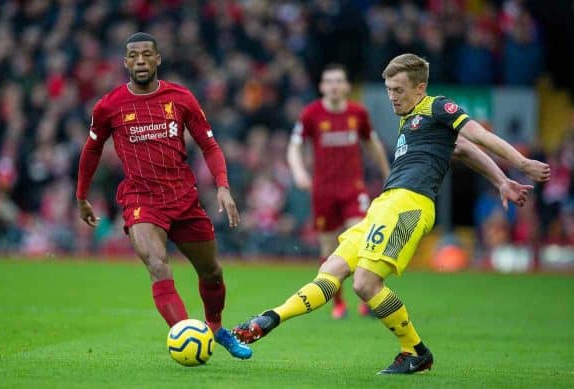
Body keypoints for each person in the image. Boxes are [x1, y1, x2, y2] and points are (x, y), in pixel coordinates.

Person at [233, 53, 550, 373]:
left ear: (420, 88)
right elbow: (462, 149)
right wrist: (500, 181)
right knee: (332, 268)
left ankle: (415, 351)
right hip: (384, 205)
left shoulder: (438, 106)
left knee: (365, 284)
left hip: (410, 204)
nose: (392, 97)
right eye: (388, 90)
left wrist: (519, 166)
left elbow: (477, 136)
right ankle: (269, 319)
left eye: (398, 89)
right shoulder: (412, 120)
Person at [76, 32, 251, 359]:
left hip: (184, 198)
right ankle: (190, 338)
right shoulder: (109, 106)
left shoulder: (181, 98)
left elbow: (209, 145)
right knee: (158, 265)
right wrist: (81, 195)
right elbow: (92, 149)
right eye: (133, 56)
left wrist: (223, 186)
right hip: (141, 201)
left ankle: (214, 328)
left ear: (158, 59)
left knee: (212, 272)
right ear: (125, 62)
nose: (140, 61)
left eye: (146, 55)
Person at [288, 63, 390, 319]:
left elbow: (373, 144)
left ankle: (368, 296)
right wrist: (299, 171)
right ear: (322, 87)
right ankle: (338, 303)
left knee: (363, 239)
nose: (334, 86)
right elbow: (294, 146)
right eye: (329, 81)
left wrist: (388, 174)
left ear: (346, 87)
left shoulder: (358, 113)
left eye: (338, 81)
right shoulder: (311, 114)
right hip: (322, 190)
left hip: (353, 188)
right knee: (329, 247)